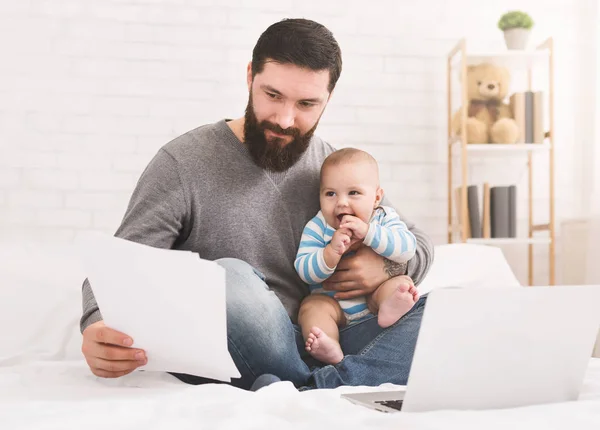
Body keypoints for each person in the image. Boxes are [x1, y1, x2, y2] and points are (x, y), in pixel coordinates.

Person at [79, 18, 434, 391]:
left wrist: (385, 268)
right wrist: (96, 323)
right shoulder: (183, 163)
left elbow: (418, 245)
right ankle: (316, 385)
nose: (284, 119)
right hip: (244, 340)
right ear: (250, 76)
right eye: (273, 95)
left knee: (442, 312)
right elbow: (121, 263)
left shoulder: (334, 168)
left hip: (327, 340)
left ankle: (311, 387)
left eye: (307, 104)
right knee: (230, 279)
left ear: (328, 98)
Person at [295, 148, 420, 366]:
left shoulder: (383, 218)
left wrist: (369, 233)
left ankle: (391, 306)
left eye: (353, 193)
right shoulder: (318, 226)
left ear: (376, 197)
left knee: (402, 283)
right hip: (333, 305)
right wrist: (329, 253)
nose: (341, 203)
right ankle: (330, 344)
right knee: (311, 306)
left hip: (375, 299)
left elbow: (408, 248)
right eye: (330, 194)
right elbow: (304, 270)